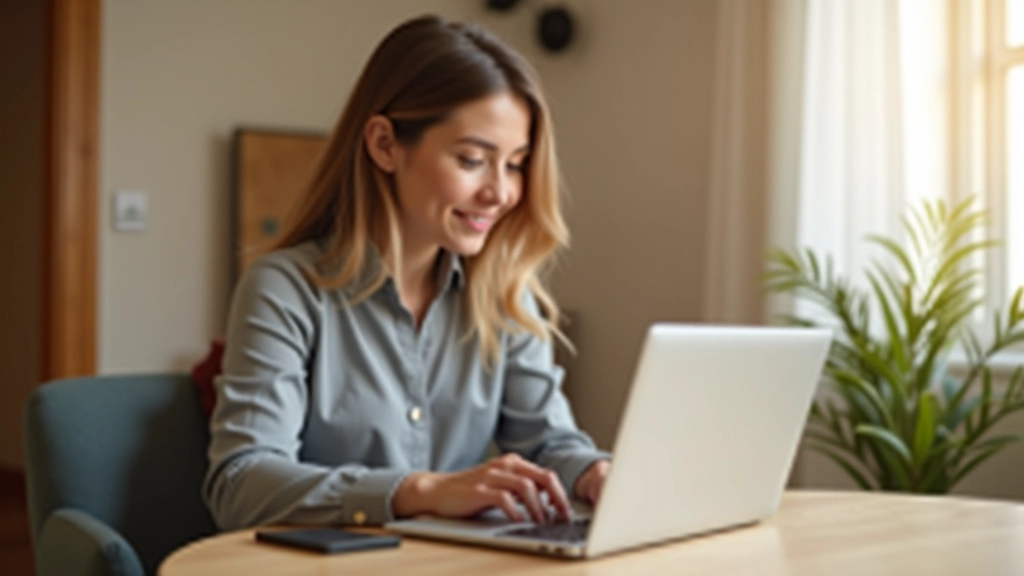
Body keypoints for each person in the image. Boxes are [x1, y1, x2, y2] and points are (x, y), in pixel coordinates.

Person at [203, 14, 610, 532]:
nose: (501, 193)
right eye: (472, 159)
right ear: (384, 144)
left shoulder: (504, 294)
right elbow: (240, 484)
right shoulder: (285, 291)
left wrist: (596, 474)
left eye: (514, 164)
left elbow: (549, 443)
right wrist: (418, 492)